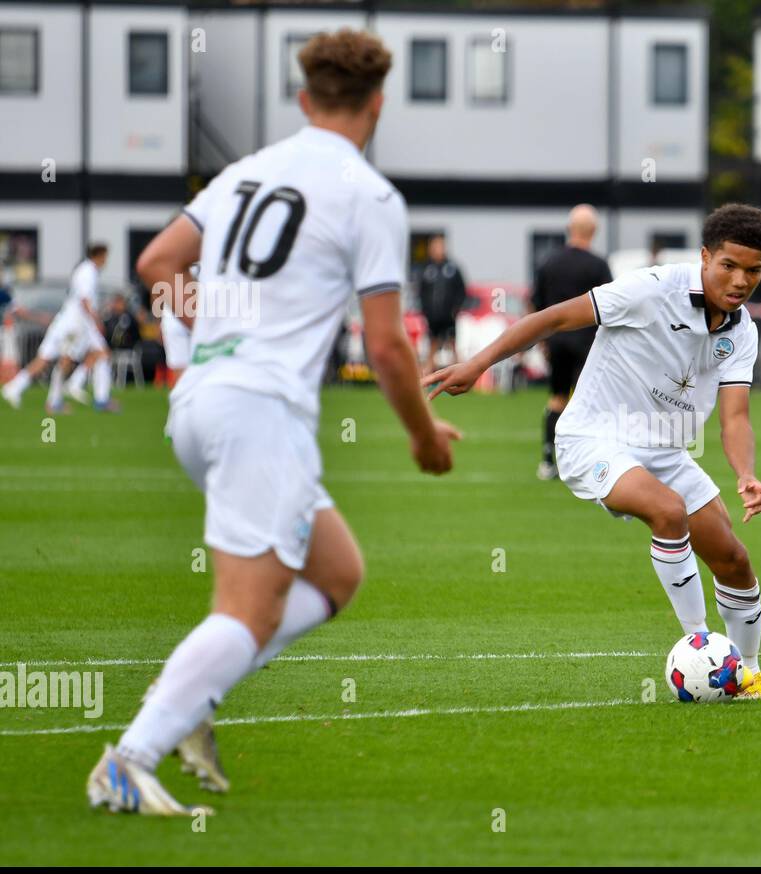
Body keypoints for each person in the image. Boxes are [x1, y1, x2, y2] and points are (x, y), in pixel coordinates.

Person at [87, 28, 461, 816]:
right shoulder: (370, 196)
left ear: (303, 99)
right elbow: (390, 347)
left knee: (336, 574)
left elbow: (156, 264)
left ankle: (190, 695)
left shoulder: (242, 174)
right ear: (378, 105)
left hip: (203, 403)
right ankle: (133, 755)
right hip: (259, 413)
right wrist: (425, 438)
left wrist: (214, 332)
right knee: (248, 609)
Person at [427, 204, 761, 700]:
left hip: (665, 452)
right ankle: (701, 645)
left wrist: (746, 474)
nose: (740, 280)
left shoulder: (743, 330)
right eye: (728, 266)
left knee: (733, 558)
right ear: (705, 256)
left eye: (753, 270)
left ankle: (748, 674)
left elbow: (735, 418)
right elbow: (554, 317)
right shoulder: (650, 289)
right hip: (593, 437)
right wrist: (476, 364)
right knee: (668, 511)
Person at [532, 204, 612, 480]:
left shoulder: (549, 263)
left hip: (556, 341)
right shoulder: (598, 265)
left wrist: (543, 341)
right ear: (594, 231)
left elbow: (537, 305)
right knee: (588, 403)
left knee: (556, 399)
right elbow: (610, 307)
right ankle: (587, 463)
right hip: (588, 343)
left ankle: (547, 461)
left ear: (569, 229)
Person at [3, 243, 115, 413]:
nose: (106, 260)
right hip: (74, 324)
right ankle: (63, 396)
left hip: (66, 321)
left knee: (48, 358)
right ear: (99, 255)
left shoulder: (84, 270)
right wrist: (97, 321)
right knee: (68, 359)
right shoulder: (88, 272)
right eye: (106, 256)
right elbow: (85, 300)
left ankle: (16, 387)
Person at [416, 230, 466, 373]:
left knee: (453, 344)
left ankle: (459, 372)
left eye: (440, 246)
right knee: (432, 344)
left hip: (449, 315)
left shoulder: (452, 268)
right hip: (432, 316)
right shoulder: (427, 269)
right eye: (434, 246)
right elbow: (421, 292)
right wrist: (424, 310)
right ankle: (427, 373)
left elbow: (461, 290)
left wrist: (456, 308)